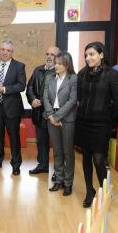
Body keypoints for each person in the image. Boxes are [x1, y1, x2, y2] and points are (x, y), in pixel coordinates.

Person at [77, 41, 118, 208]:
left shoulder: (112, 74)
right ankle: (90, 191)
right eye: (86, 55)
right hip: (83, 123)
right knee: (86, 158)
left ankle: (104, 191)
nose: (88, 58)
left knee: (98, 159)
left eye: (92, 54)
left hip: (102, 125)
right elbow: (79, 97)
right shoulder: (82, 74)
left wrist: (107, 118)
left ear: (101, 54)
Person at [0, 39, 26, 175]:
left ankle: (16, 164)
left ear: (12, 52)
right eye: (3, 49)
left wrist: (4, 89)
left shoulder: (19, 66)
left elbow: (21, 85)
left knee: (14, 137)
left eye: (8, 50)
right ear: (0, 50)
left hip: (12, 108)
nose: (5, 52)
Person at [43, 52, 77, 196]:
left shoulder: (73, 79)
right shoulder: (49, 78)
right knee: (57, 151)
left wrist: (57, 117)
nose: (55, 65)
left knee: (68, 152)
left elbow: (72, 100)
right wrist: (51, 115)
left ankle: (68, 183)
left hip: (67, 119)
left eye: (59, 63)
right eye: (55, 63)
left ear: (67, 65)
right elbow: (45, 98)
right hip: (52, 118)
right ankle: (59, 179)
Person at [26, 46, 61, 181]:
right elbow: (29, 87)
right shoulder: (38, 70)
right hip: (39, 114)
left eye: (52, 54)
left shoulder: (60, 72)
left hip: (54, 114)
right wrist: (32, 99)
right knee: (41, 142)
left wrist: (45, 102)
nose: (49, 56)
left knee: (57, 144)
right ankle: (43, 165)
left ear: (58, 57)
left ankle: (58, 170)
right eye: (47, 53)